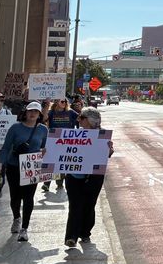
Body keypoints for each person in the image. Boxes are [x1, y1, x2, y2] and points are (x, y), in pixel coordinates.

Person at [64, 107, 114, 247]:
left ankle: (85, 232)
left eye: (82, 117)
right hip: (74, 176)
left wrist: (109, 150)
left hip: (94, 177)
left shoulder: (102, 135)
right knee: (75, 205)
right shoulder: (74, 134)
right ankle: (71, 237)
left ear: (90, 120)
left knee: (89, 204)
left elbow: (107, 154)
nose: (78, 119)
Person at [0, 101, 48, 242]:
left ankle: (24, 228)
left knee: (28, 197)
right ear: (25, 112)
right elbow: (6, 147)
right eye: (30, 111)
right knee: (15, 197)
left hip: (32, 168)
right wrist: (1, 164)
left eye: (36, 112)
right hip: (14, 166)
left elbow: (46, 147)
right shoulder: (15, 128)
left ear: (39, 114)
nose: (32, 114)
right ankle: (16, 218)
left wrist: (44, 152)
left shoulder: (43, 130)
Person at [41, 97, 77, 191]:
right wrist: (46, 106)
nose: (64, 103)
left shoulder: (71, 112)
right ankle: (46, 183)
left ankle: (60, 182)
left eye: (65, 101)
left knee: (62, 161)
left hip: (67, 140)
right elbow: (44, 118)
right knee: (51, 161)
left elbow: (80, 118)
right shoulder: (52, 112)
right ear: (57, 102)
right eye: (62, 101)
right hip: (53, 140)